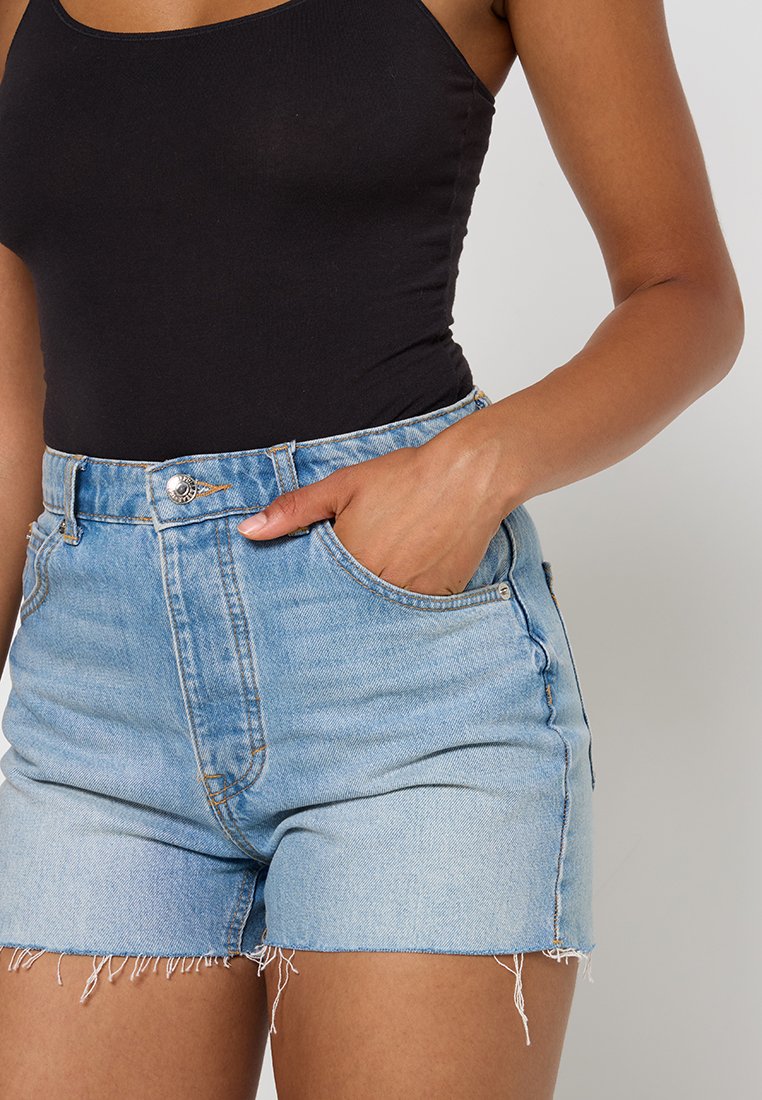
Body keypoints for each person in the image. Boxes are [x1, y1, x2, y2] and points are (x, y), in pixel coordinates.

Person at [0, 1, 743, 1097]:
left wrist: (471, 470)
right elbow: (19, 385)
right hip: (93, 707)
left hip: (400, 686)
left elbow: (688, 294)